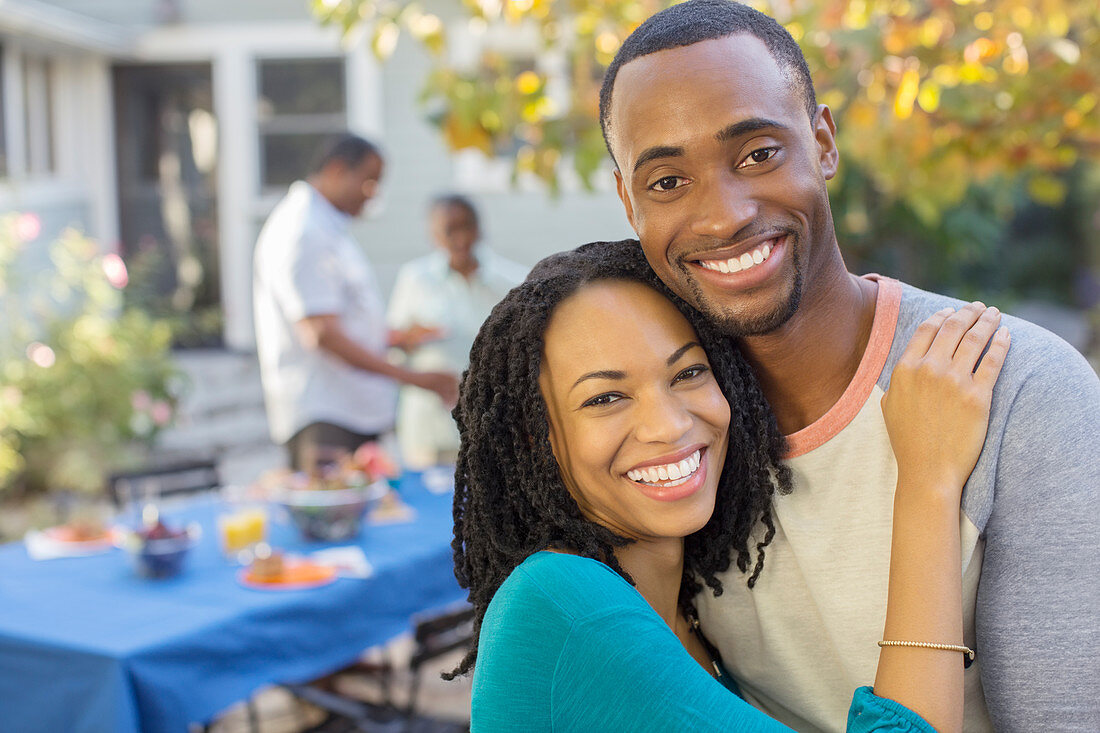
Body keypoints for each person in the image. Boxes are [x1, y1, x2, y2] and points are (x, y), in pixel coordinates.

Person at [597, 2, 1100, 731]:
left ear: (824, 142)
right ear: (627, 201)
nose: (723, 215)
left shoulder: (1017, 390)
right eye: (667, 182)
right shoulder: (662, 440)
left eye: (758, 153)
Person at [450, 241, 1009, 732]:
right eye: (605, 398)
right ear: (532, 439)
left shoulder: (682, 613)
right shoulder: (565, 604)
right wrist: (929, 481)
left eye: (688, 373)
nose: (669, 425)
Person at [252, 134, 458, 471]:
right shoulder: (304, 231)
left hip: (349, 412)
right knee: (336, 518)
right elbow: (321, 335)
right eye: (369, 181)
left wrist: (396, 337)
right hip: (326, 416)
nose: (374, 193)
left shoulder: (326, 227)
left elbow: (338, 319)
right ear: (335, 170)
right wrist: (417, 379)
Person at [387, 194, 526, 468]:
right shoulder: (415, 280)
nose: (461, 238)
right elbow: (392, 346)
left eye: (468, 226)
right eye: (451, 230)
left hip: (492, 429)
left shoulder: (511, 282)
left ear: (480, 228)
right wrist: (409, 340)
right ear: (434, 234)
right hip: (430, 430)